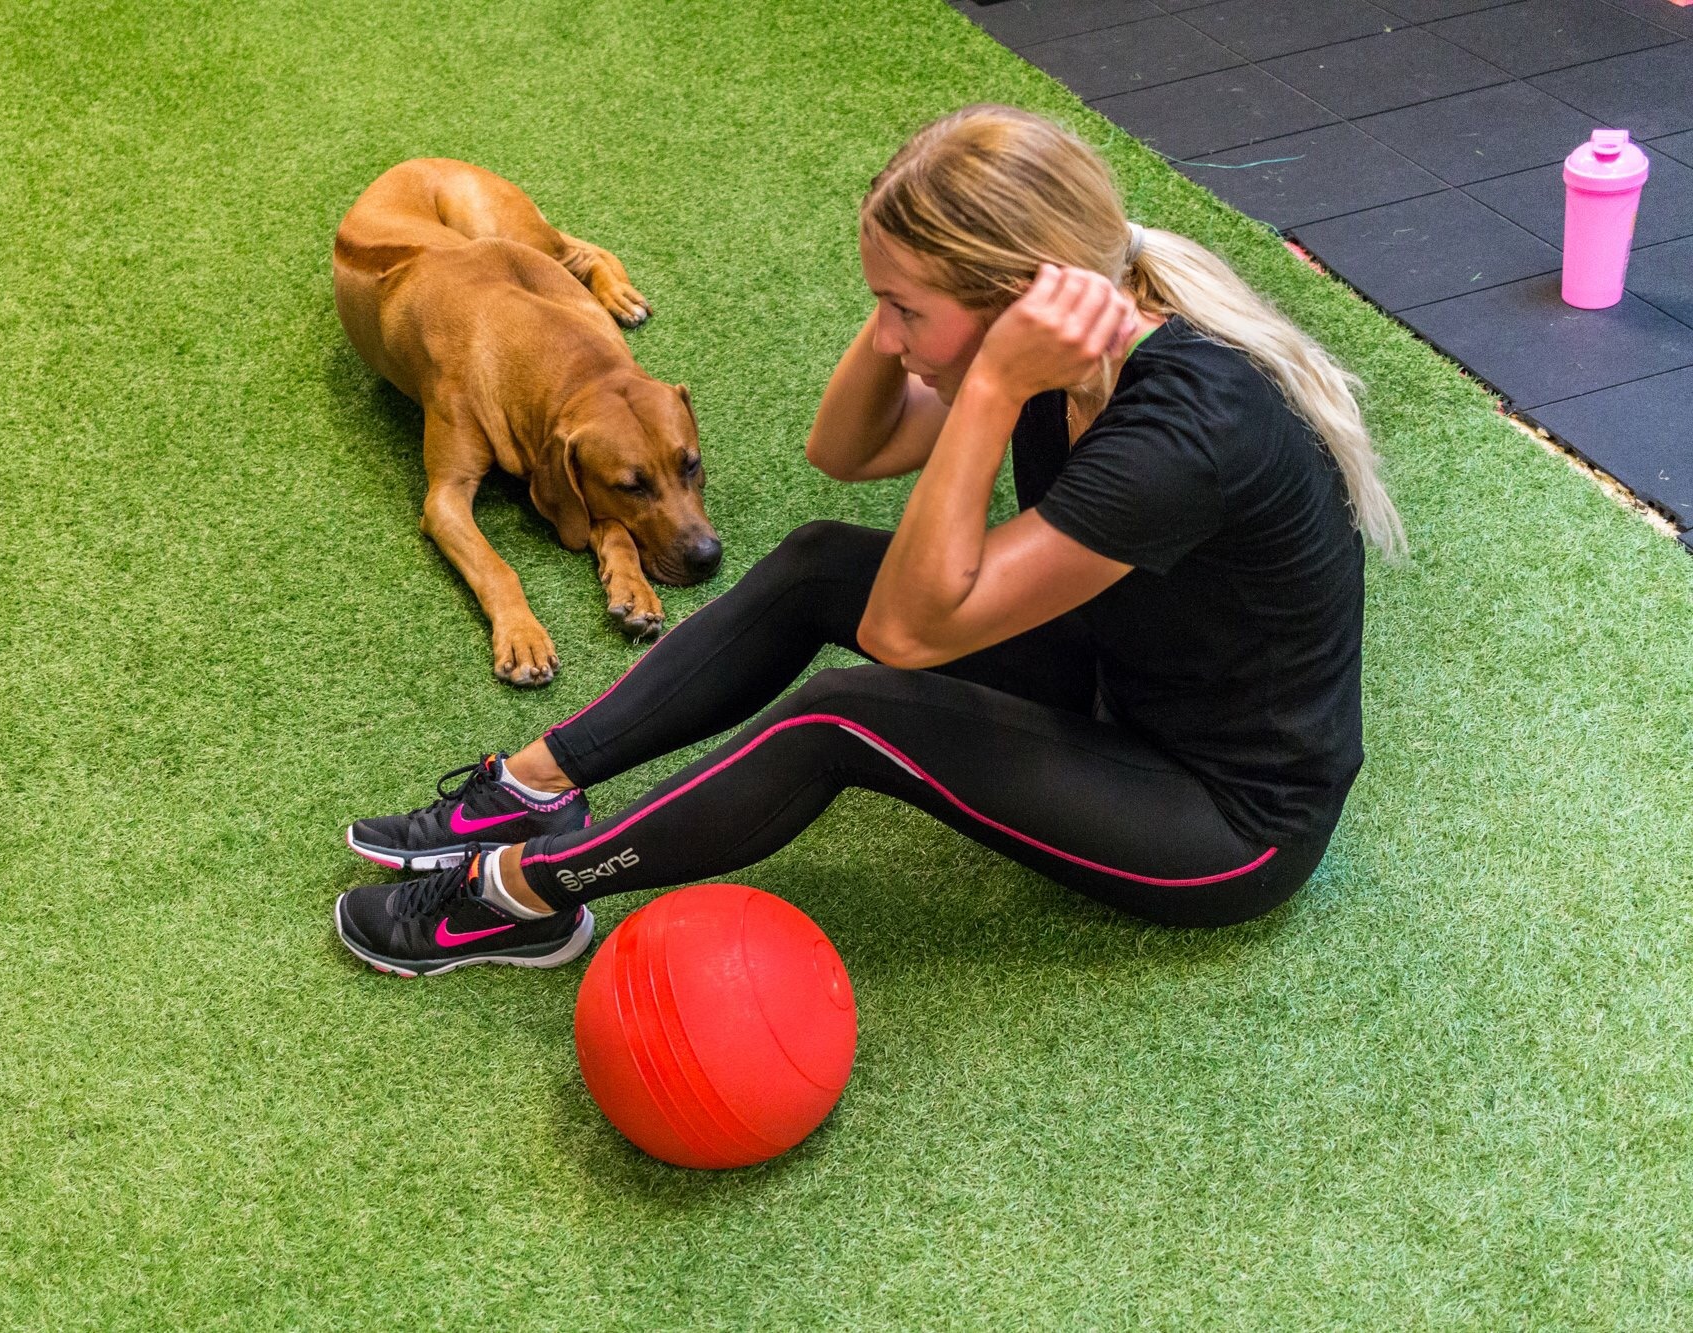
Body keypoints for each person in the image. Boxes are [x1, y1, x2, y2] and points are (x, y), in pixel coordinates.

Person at [333, 104, 1404, 978]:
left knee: (844, 715)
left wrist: (990, 384)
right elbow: (844, 449)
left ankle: (516, 898)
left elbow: (907, 630)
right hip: (1115, 678)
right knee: (818, 560)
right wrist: (930, 301)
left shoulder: (1180, 432)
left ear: (1019, 302)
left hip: (1222, 821)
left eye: (903, 311)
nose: (887, 338)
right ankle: (531, 785)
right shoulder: (1071, 343)